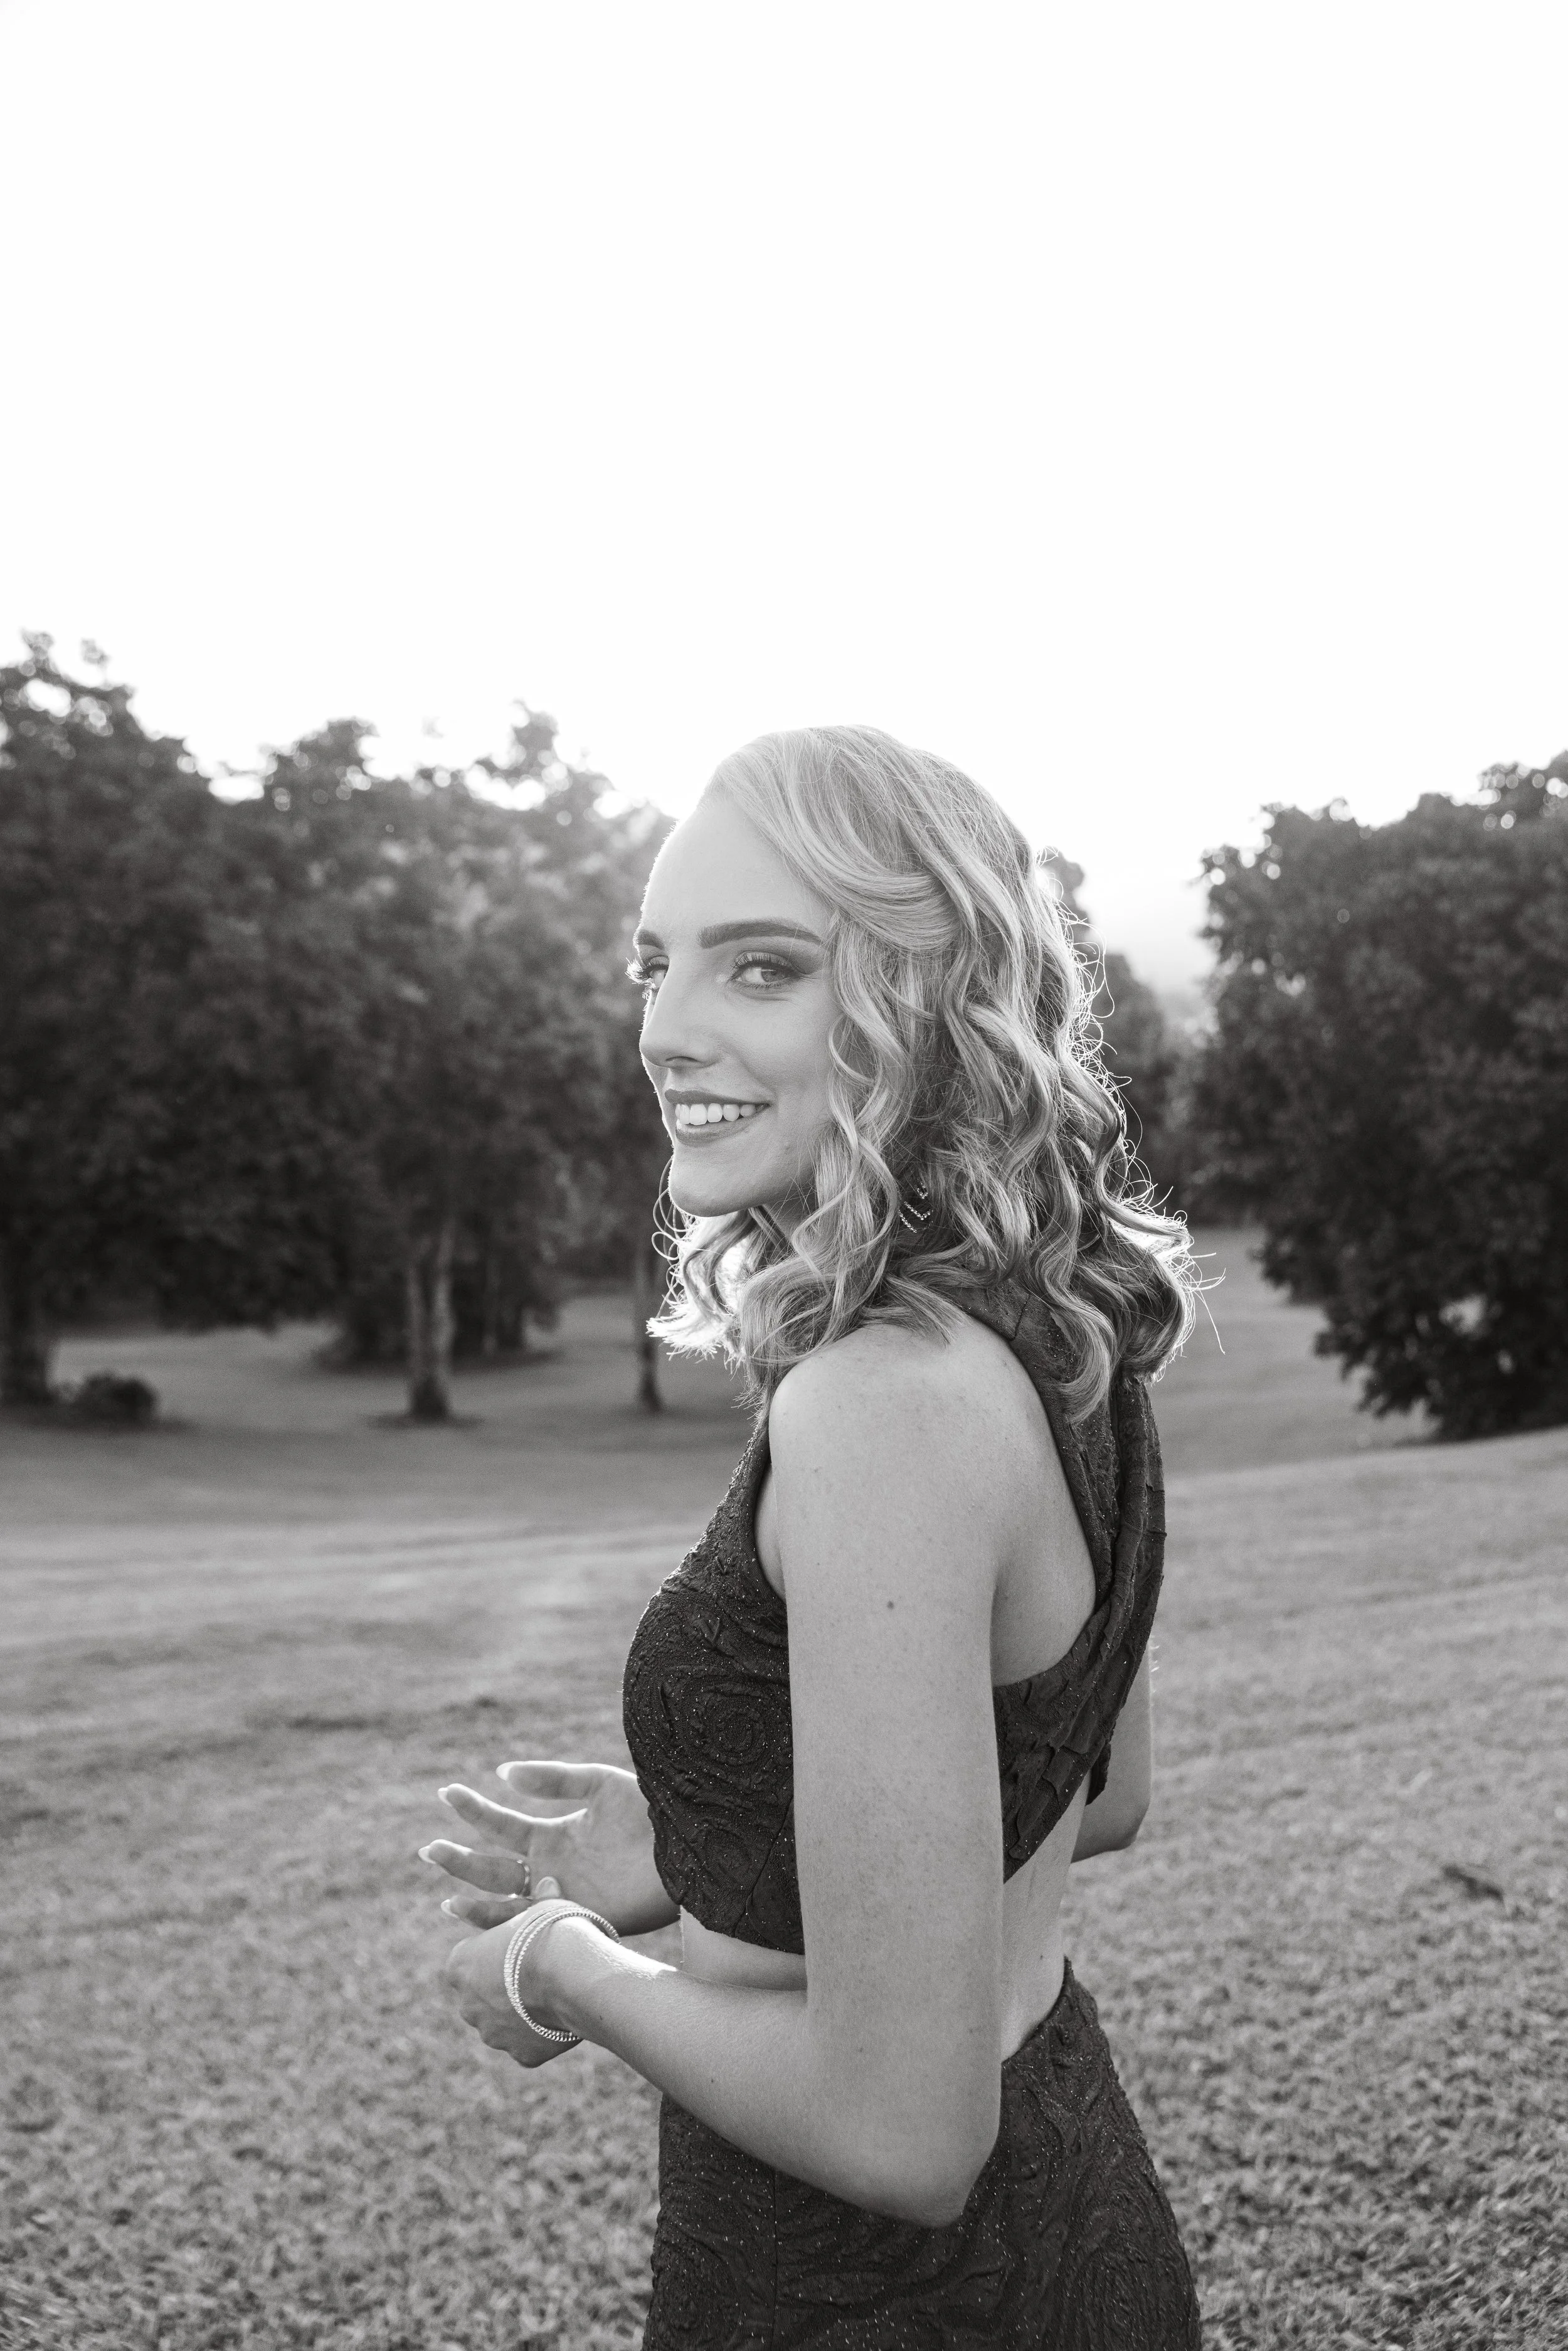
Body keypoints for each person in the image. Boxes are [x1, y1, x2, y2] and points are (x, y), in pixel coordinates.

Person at [420, 725, 1204, 2347]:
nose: (667, 1031)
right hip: (1078, 2222)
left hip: (869, 2299)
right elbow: (1092, 1791)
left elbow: (902, 2134)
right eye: (653, 964)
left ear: (926, 1002)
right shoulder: (1062, 1325)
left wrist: (562, 1965)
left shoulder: (878, 1406)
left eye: (759, 967)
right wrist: (702, 1843)